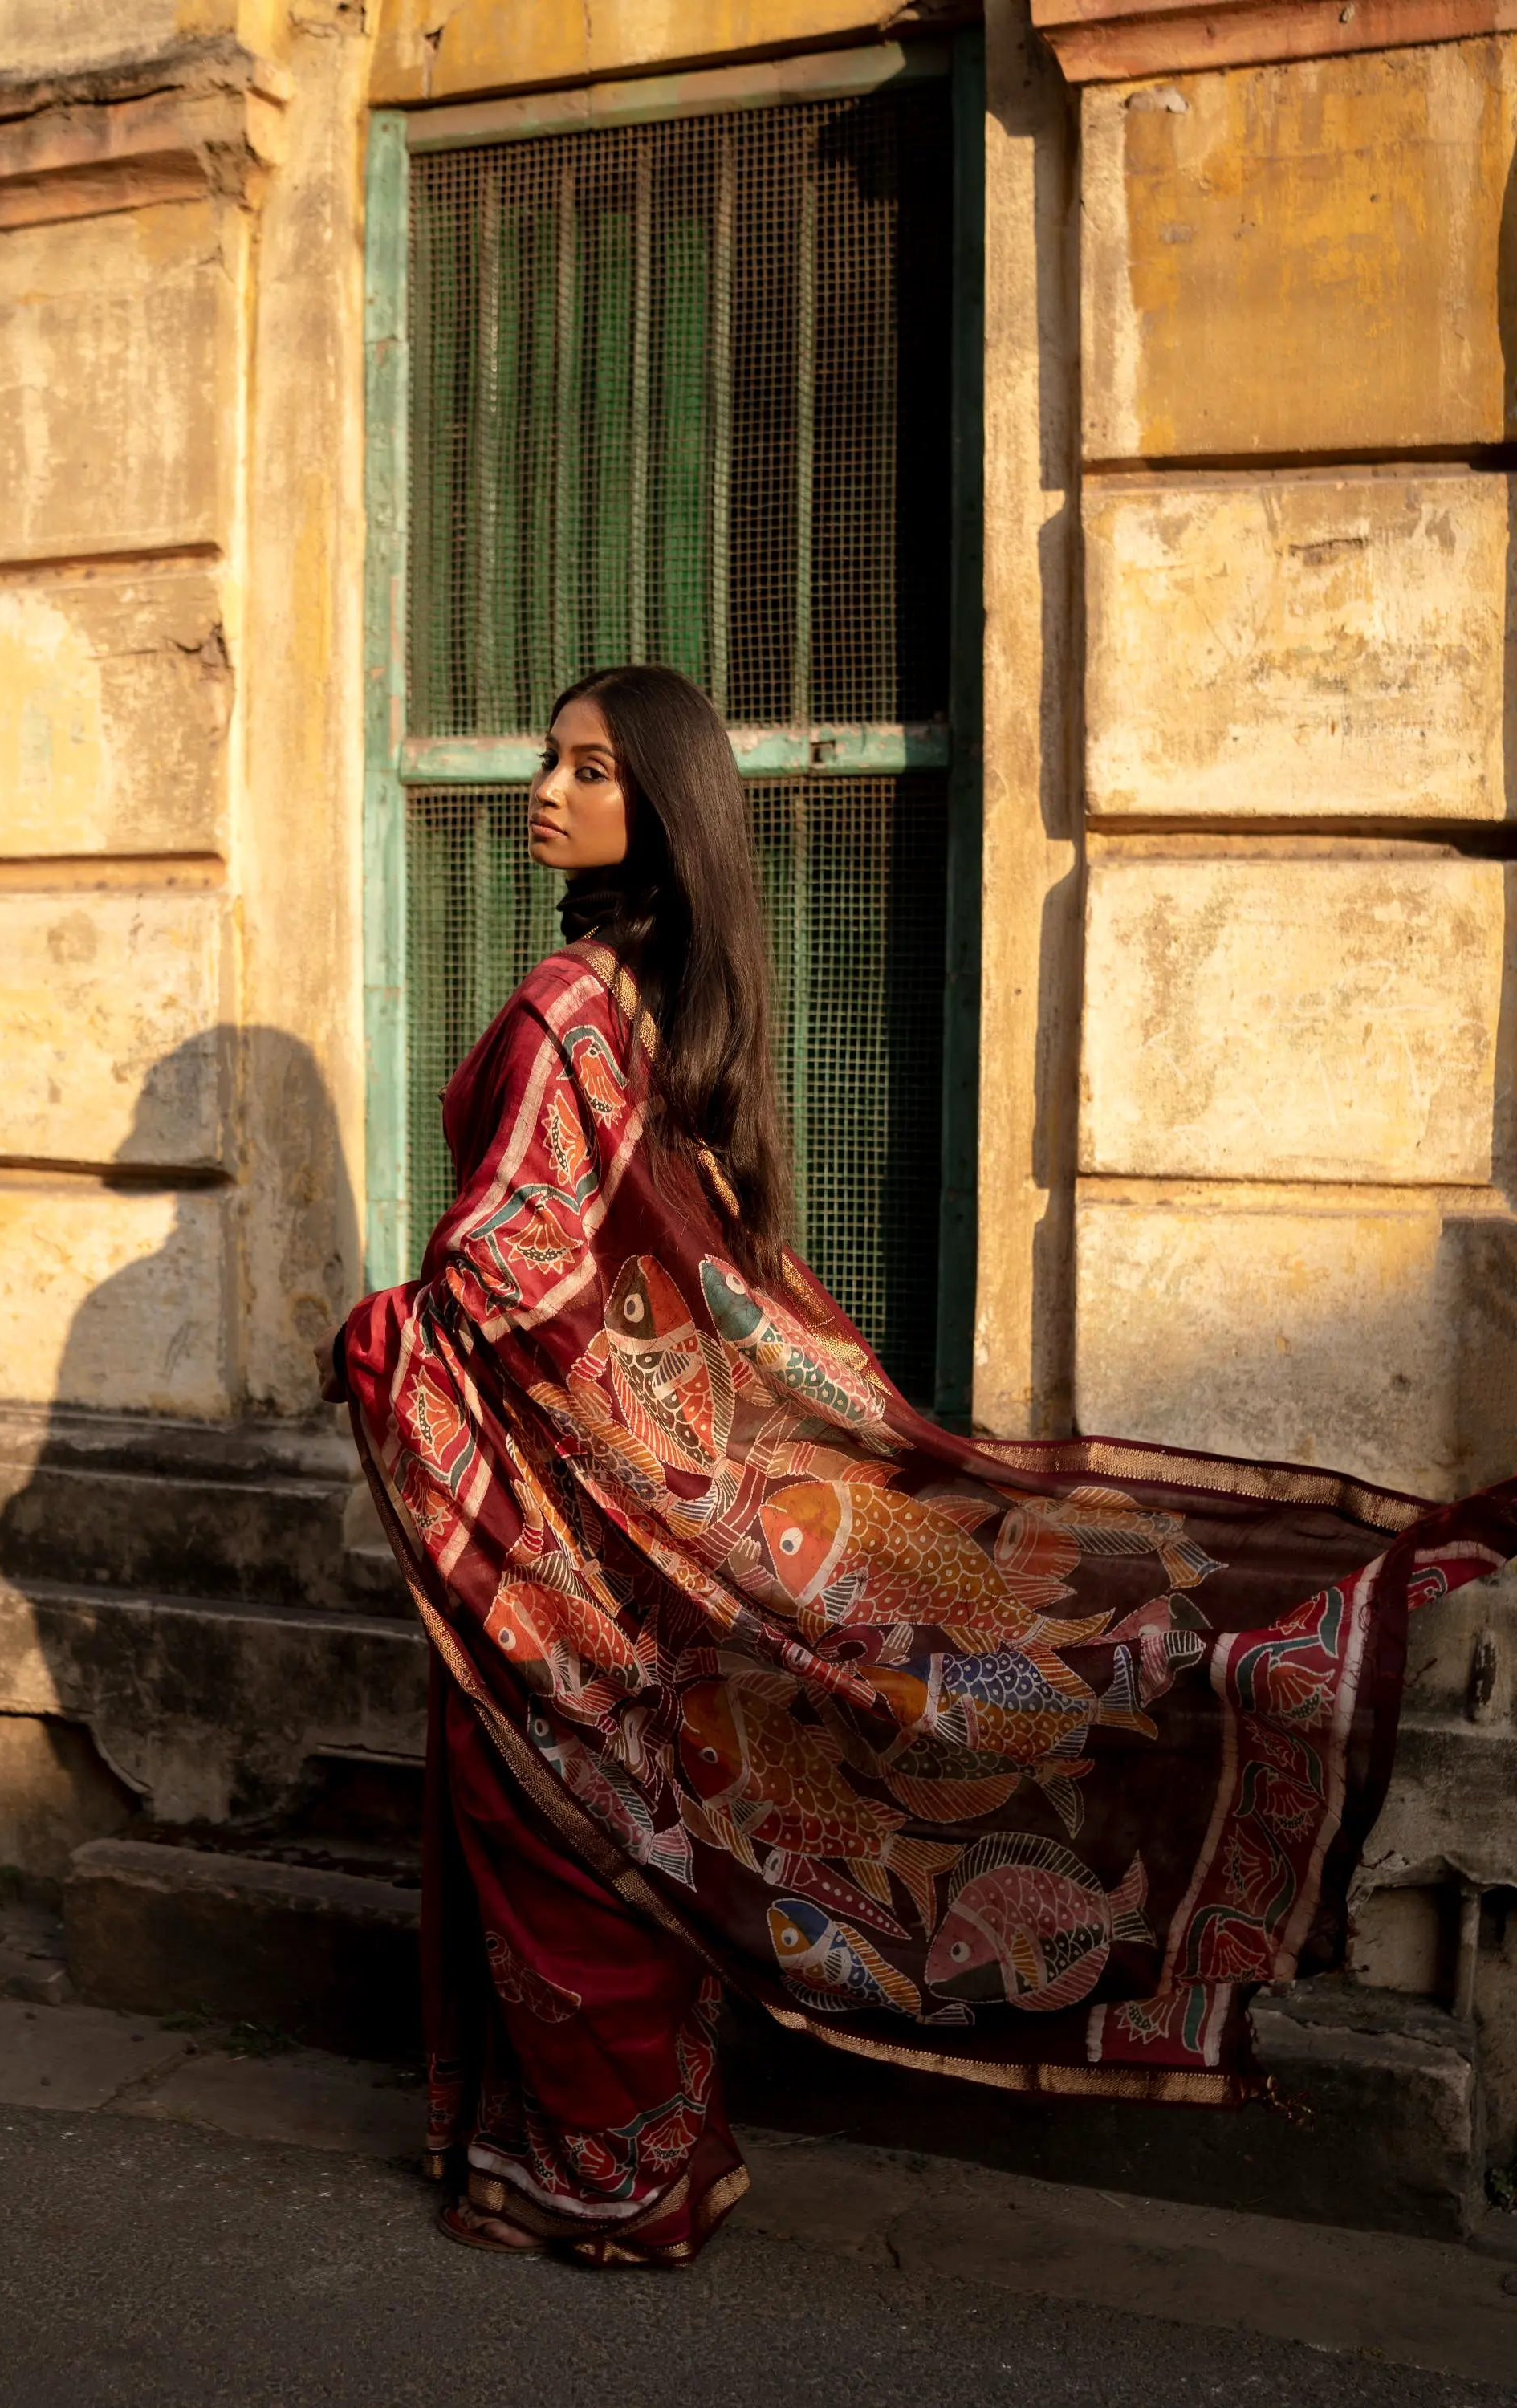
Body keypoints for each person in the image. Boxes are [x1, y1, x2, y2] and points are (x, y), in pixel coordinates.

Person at [322, 663, 1517, 2265]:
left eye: (590, 767)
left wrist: (378, 1328)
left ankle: (611, 2179)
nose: (546, 787)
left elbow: (512, 1277)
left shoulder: (568, 1009)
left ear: (660, 810)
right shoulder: (679, 1010)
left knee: (554, 1820)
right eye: (549, 760)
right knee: (635, 1811)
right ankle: (652, 2157)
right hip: (626, 1507)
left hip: (561, 1519)